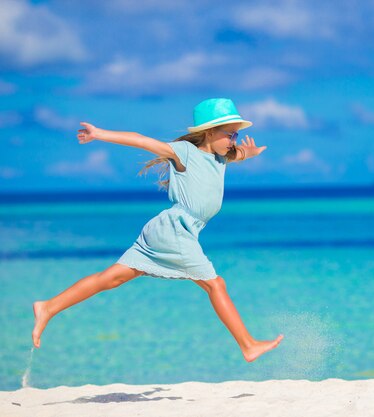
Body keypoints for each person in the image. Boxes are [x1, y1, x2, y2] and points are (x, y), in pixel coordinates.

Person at [31, 98, 284, 363]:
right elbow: (141, 140)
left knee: (111, 278)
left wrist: (251, 153)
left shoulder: (221, 158)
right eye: (229, 134)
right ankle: (248, 345)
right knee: (215, 284)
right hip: (176, 230)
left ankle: (48, 307)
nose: (234, 140)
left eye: (236, 134)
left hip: (168, 230)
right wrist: (99, 134)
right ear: (209, 132)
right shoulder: (185, 152)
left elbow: (238, 154)